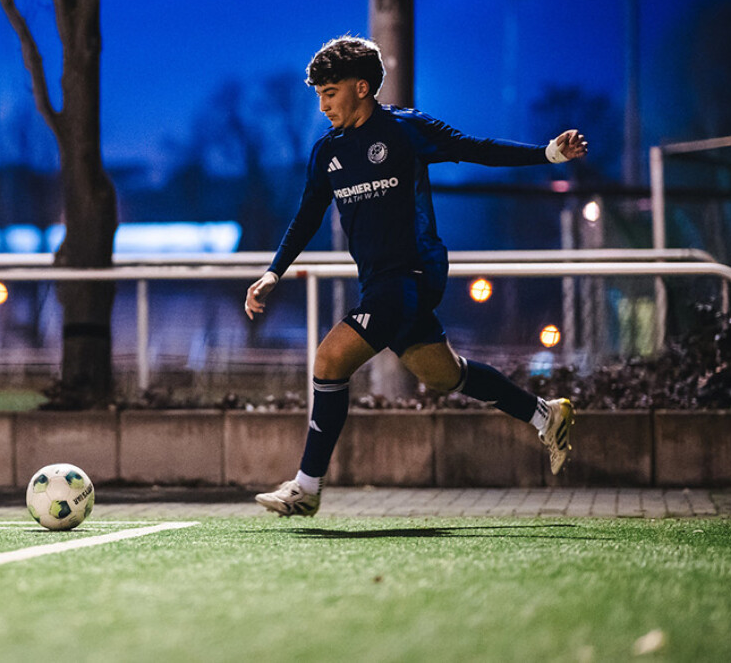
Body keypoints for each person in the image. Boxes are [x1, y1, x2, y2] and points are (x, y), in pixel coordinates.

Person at [245, 36, 587, 517]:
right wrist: (273, 272)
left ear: (362, 87)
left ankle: (306, 487)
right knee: (445, 375)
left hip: (410, 276)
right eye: (318, 95)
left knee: (329, 360)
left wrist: (548, 154)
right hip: (379, 284)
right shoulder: (328, 152)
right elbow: (306, 216)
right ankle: (545, 414)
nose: (322, 106)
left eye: (330, 93)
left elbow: (476, 148)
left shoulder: (406, 129)